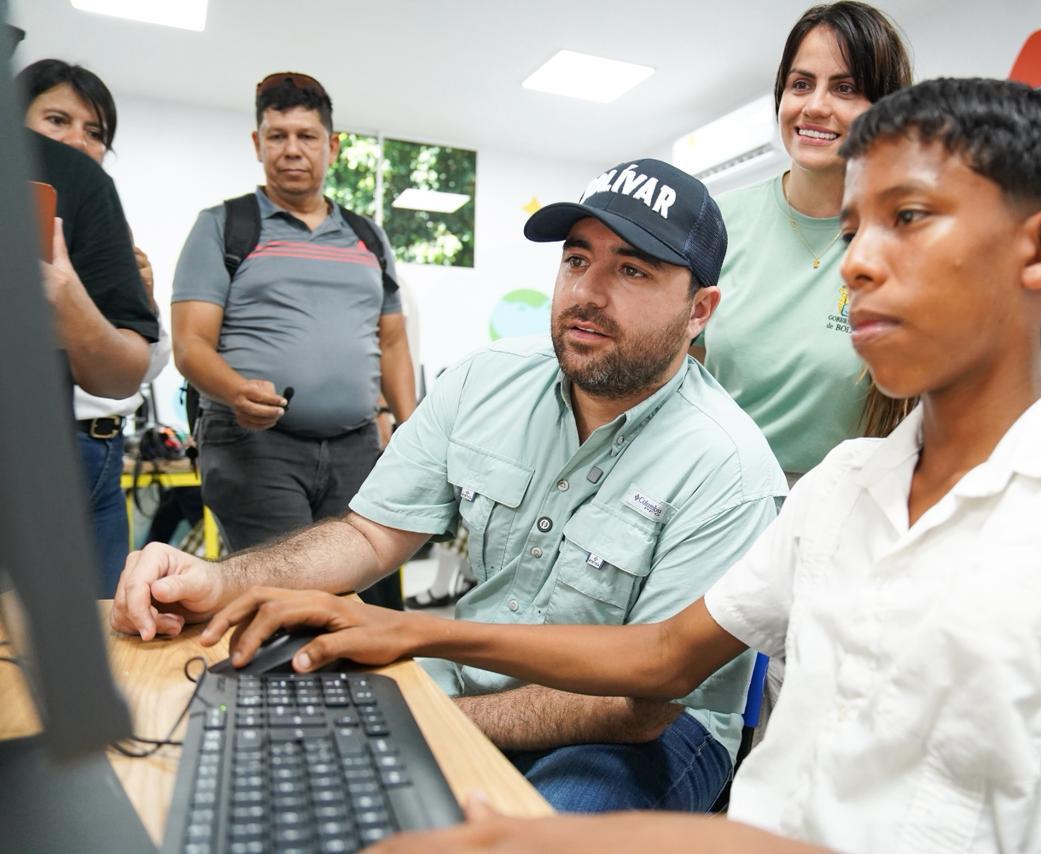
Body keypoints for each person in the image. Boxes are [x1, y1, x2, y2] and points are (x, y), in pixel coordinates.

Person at [193, 79, 1041, 852]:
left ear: (1040, 248)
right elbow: (661, 654)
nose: (855, 264)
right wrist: (420, 632)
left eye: (906, 219)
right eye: (852, 229)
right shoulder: (843, 488)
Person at [113, 157, 787, 814]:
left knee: (517, 834)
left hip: (650, 730)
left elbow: (640, 703)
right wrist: (218, 581)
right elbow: (370, 536)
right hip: (475, 679)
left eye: (632, 270)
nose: (588, 293)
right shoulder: (485, 380)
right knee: (272, 755)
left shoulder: (728, 467)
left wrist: (429, 718)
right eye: (577, 260)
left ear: (699, 310)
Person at [170, 72, 414, 607]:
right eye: (277, 136)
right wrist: (235, 390)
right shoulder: (224, 225)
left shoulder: (368, 236)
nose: (291, 150)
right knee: (288, 604)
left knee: (369, 605)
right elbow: (189, 345)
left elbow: (393, 343)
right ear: (257, 144)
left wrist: (411, 429)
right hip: (254, 446)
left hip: (356, 447)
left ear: (333, 146)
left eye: (306, 136)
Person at [694, 1, 914, 481]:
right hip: (717, 491)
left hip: (844, 498)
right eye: (800, 84)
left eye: (845, 88)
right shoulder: (719, 220)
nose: (815, 106)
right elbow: (679, 374)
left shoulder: (907, 240)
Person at [21, 58, 171, 595]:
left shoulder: (111, 239)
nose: (78, 142)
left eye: (95, 132)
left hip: (104, 452)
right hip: (36, 448)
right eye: (57, 120)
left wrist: (144, 304)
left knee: (104, 611)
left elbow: (143, 369)